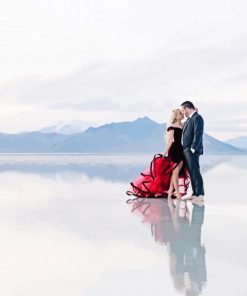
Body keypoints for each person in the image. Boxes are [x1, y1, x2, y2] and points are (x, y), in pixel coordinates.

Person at [126, 108, 190, 199]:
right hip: (174, 150)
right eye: (180, 113)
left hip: (181, 149)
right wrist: (165, 152)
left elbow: (189, 121)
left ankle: (170, 192)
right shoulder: (171, 127)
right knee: (175, 173)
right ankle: (177, 194)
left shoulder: (182, 125)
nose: (182, 114)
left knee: (176, 172)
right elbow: (170, 141)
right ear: (176, 115)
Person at [180, 101, 205, 201]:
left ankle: (200, 195)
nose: (183, 112)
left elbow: (198, 133)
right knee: (192, 172)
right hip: (186, 150)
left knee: (195, 171)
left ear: (187, 108)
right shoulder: (190, 119)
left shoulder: (197, 117)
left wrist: (193, 148)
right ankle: (195, 193)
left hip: (192, 150)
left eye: (183, 110)